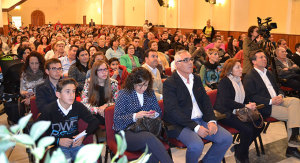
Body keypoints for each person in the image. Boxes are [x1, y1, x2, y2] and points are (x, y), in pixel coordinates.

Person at [163, 50, 232, 163]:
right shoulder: (170, 83)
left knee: (226, 138)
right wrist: (195, 127)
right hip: (181, 124)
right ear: (177, 64)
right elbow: (173, 110)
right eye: (185, 60)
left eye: (191, 59)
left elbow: (206, 102)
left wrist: (211, 120)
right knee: (196, 145)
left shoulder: (196, 78)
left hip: (201, 119)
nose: (190, 62)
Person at [243, 50, 300, 159]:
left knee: (296, 101)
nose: (264, 59)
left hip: (279, 100)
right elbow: (251, 97)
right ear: (254, 61)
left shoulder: (268, 72)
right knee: (294, 115)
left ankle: (294, 136)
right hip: (266, 106)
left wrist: (280, 96)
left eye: (265, 57)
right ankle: (292, 147)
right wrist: (271, 101)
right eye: (261, 57)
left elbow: (278, 87)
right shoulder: (249, 76)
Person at [113, 67, 173, 163]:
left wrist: (153, 114)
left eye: (146, 85)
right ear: (133, 82)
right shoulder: (124, 94)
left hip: (145, 128)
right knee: (149, 139)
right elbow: (117, 120)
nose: (143, 88)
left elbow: (158, 112)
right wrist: (135, 116)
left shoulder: (149, 93)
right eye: (140, 85)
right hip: (126, 132)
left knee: (151, 151)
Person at [214, 58, 264, 163]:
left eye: (240, 66)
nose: (241, 69)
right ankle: (242, 155)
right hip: (225, 113)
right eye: (238, 67)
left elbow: (244, 98)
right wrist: (245, 105)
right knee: (247, 129)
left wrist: (249, 103)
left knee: (259, 123)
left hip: (238, 111)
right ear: (230, 70)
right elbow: (226, 101)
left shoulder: (239, 81)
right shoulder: (225, 82)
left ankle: (240, 148)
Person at [38, 78, 99, 161]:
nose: (72, 95)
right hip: (57, 147)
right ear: (58, 94)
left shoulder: (78, 106)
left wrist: (83, 136)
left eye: (73, 91)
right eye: (67, 91)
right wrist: (58, 141)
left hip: (75, 145)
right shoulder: (49, 110)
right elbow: (36, 133)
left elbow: (94, 122)